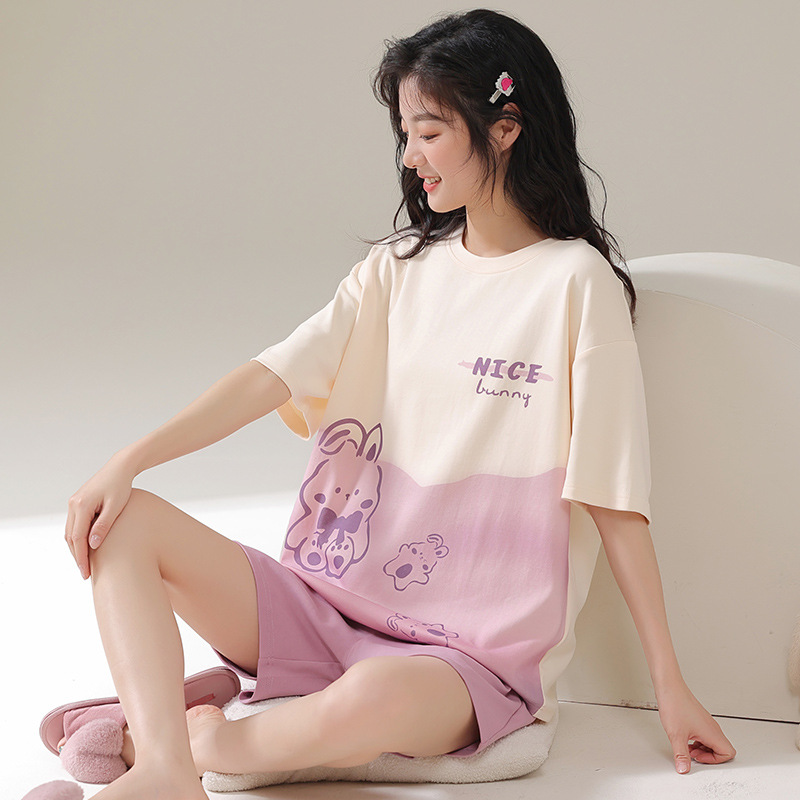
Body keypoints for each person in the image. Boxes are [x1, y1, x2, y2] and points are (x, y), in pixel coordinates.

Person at [50, 8, 734, 799]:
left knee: (372, 698)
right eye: (405, 135)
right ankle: (167, 771)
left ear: (505, 128)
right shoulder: (395, 270)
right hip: (324, 607)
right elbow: (271, 374)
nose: (411, 158)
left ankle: (194, 735)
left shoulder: (575, 283)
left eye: (429, 133)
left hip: (463, 659)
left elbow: (614, 498)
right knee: (123, 519)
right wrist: (128, 461)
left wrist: (670, 686)